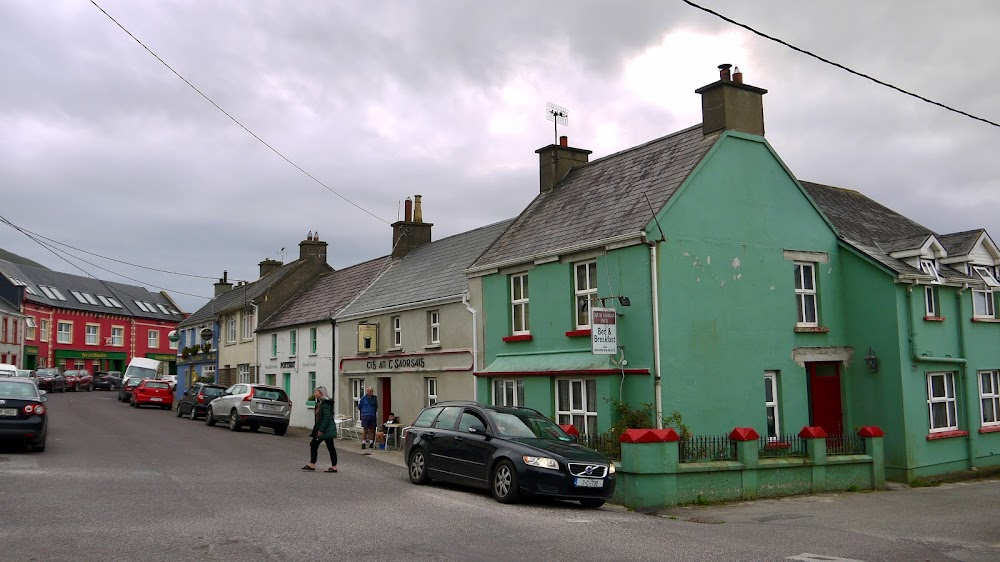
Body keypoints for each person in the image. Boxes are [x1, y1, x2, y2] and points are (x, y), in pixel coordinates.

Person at [302, 386, 338, 473]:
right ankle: (313, 464)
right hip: (324, 429)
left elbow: (326, 418)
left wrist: (321, 430)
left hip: (326, 430)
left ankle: (332, 466)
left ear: (321, 393)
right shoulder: (320, 402)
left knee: (324, 446)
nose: (315, 394)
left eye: (316, 392)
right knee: (317, 444)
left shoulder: (325, 404)